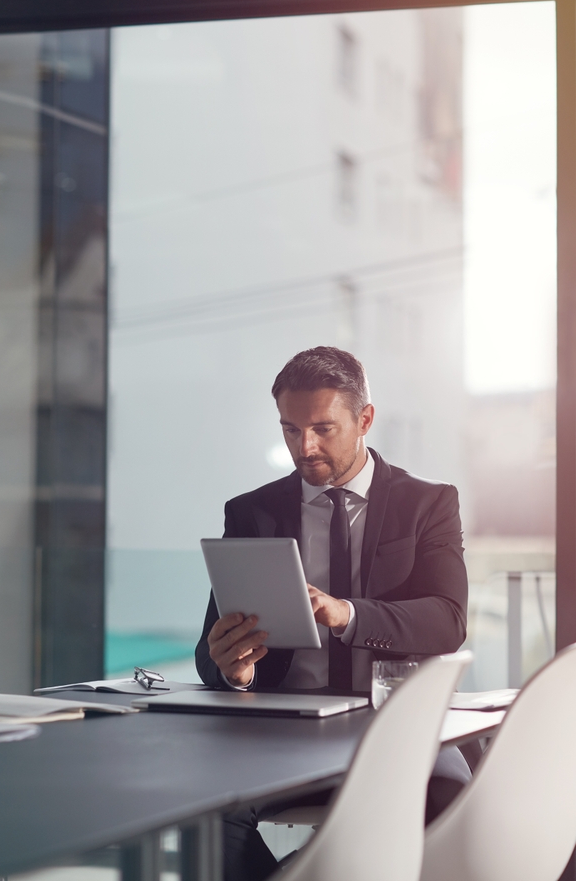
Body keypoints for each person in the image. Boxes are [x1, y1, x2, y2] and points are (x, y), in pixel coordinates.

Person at [195, 346, 470, 881]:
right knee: (207, 812)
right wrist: (234, 669)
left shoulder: (429, 503)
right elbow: (212, 654)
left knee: (451, 800)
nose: (306, 446)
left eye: (323, 428)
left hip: (395, 728)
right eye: (290, 430)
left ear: (365, 418)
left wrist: (347, 614)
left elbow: (446, 621)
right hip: (284, 736)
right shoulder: (251, 511)